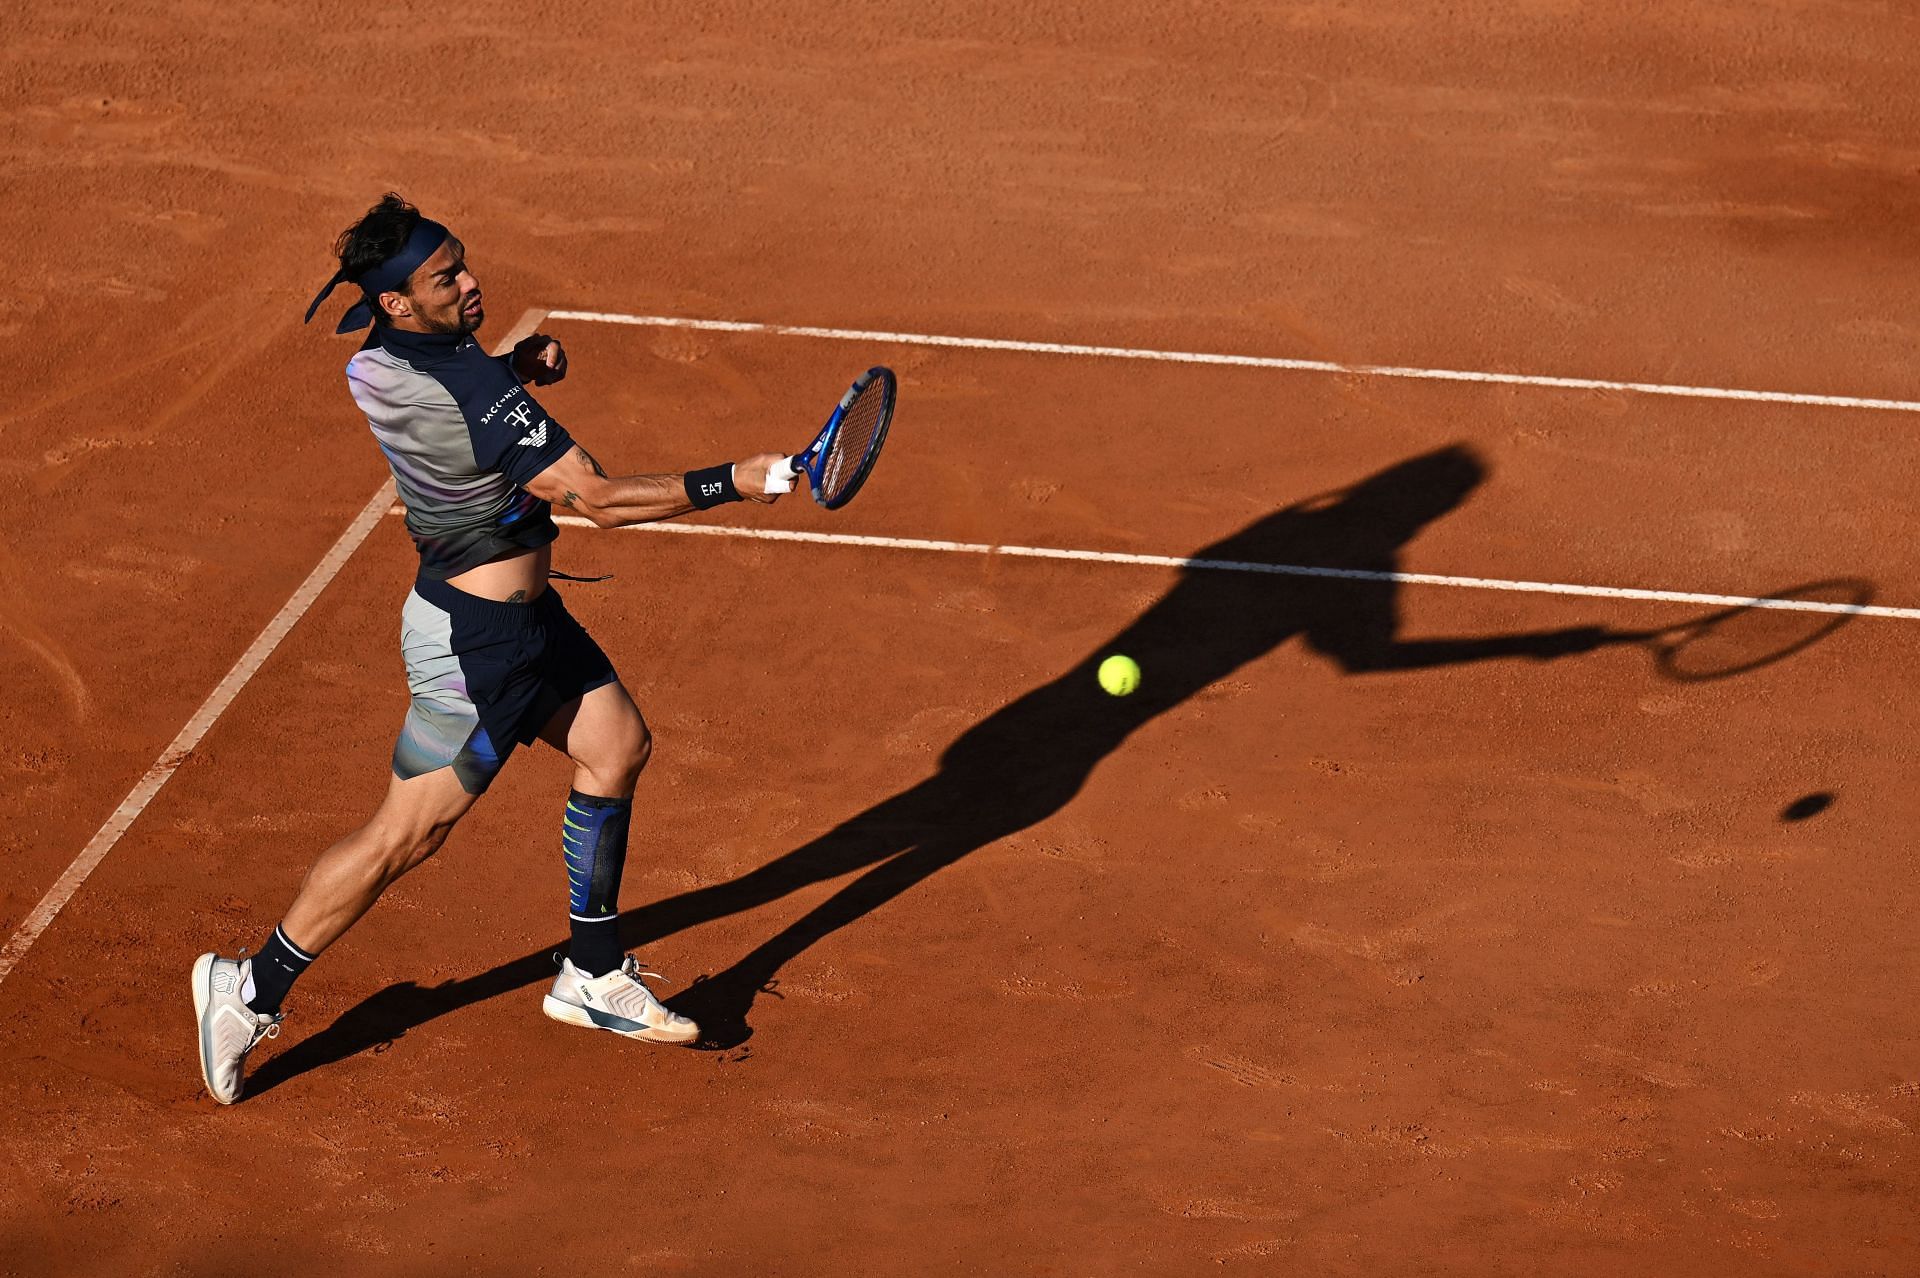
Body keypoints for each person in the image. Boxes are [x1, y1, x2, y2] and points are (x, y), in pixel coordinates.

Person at [191, 194, 790, 1104]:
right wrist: (736, 481)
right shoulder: (472, 388)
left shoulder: (390, 357)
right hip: (476, 651)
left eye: (463, 263)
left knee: (615, 744)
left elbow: (462, 397)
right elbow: (600, 500)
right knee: (408, 834)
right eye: (446, 278)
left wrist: (512, 368)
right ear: (396, 301)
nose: (472, 283)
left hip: (519, 618)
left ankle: (590, 973)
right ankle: (247, 989)